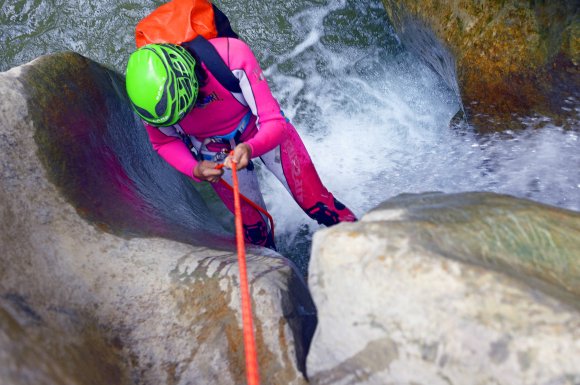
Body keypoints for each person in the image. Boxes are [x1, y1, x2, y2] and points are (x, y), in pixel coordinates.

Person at [125, 38, 356, 249]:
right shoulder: (152, 109)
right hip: (213, 149)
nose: (187, 116)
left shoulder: (231, 56)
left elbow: (275, 123)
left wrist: (250, 147)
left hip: (257, 128)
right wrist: (194, 169)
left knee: (319, 206)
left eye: (187, 108)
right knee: (255, 234)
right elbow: (164, 142)